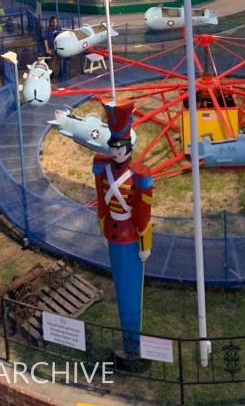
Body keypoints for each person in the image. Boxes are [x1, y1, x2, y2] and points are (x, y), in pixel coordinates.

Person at [92, 100, 154, 356]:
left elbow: (143, 211)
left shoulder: (140, 176)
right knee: (121, 285)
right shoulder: (102, 169)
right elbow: (100, 199)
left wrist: (145, 244)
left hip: (130, 236)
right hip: (113, 232)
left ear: (129, 149)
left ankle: (134, 340)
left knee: (131, 291)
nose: (116, 153)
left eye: (121, 149)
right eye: (113, 148)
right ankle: (128, 339)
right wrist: (103, 229)